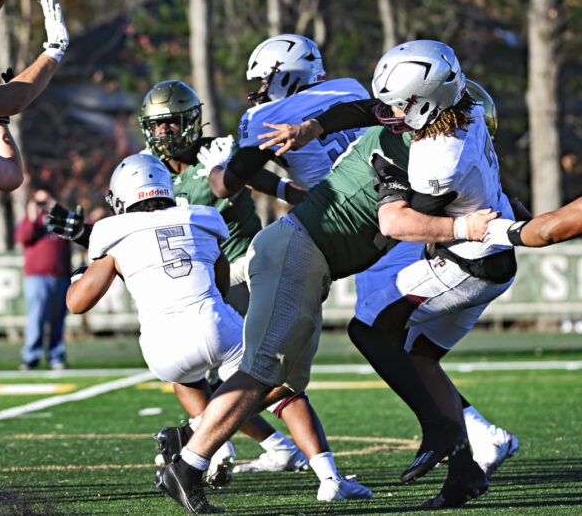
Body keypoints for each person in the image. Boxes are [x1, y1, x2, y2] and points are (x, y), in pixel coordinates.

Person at [153, 48, 499, 512]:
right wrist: (472, 229)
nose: (391, 112)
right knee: (265, 368)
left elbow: (361, 112)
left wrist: (313, 127)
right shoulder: (421, 149)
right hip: (297, 251)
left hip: (311, 260)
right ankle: (188, 464)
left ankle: (461, 464)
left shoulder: (428, 137)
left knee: (283, 383)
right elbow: (398, 216)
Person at [258, 42, 521, 495]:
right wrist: (313, 127)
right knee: (418, 354)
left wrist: (387, 181)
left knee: (370, 331)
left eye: (403, 103)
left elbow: (404, 224)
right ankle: (464, 470)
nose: (392, 111)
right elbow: (373, 110)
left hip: (464, 262)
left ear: (427, 100)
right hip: (490, 257)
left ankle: (438, 429)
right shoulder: (464, 103)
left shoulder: (441, 157)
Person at [46, 81, 339, 484]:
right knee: (230, 375)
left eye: (171, 123)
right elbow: (139, 237)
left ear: (190, 121)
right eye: (157, 125)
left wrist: (309, 198)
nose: (164, 132)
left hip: (246, 266)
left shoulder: (213, 153)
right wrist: (88, 235)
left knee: (256, 374)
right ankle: (254, 447)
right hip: (208, 278)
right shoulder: (148, 167)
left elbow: (257, 186)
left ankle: (203, 441)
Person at [15, 187, 72, 370]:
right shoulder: (31, 221)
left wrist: (56, 209)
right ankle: (31, 356)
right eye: (39, 201)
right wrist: (32, 215)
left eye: (45, 201)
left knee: (58, 320)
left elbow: (75, 230)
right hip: (37, 278)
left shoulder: (60, 221)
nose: (43, 205)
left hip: (60, 277)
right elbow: (23, 237)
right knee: (36, 318)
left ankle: (56, 356)